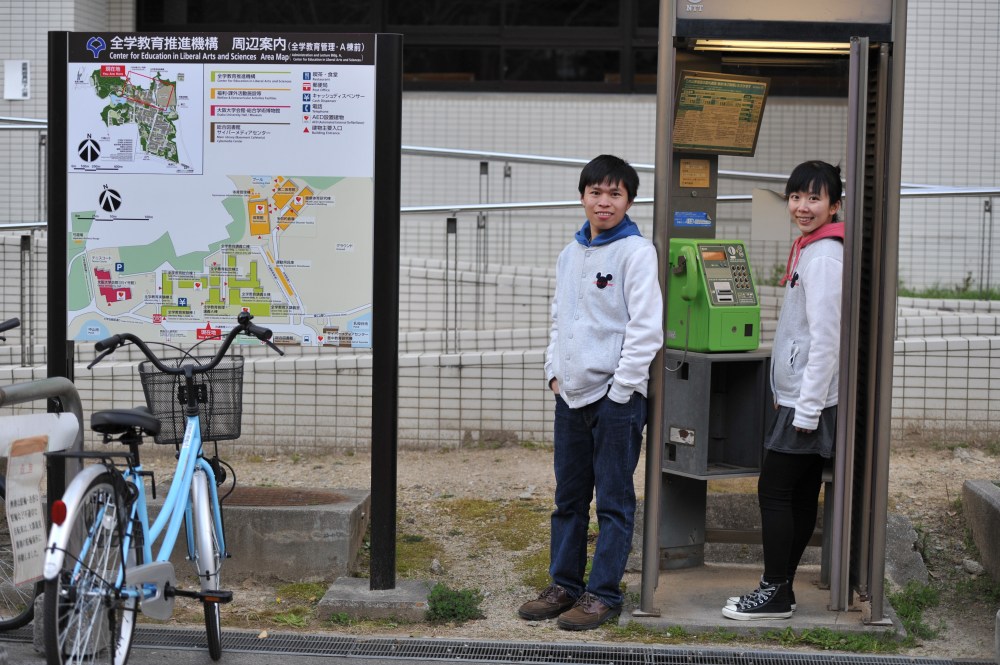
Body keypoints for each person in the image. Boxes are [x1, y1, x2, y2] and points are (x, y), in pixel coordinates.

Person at [517, 154, 663, 631]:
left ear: (629, 201)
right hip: (571, 395)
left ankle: (602, 594)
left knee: (615, 501)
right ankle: (565, 585)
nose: (604, 202)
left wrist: (621, 390)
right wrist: (553, 374)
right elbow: (561, 319)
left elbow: (646, 330)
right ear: (583, 196)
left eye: (614, 194)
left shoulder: (637, 252)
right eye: (596, 192)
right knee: (570, 497)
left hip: (616, 399)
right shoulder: (570, 253)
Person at [722, 160, 844, 620]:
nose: (802, 206)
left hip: (810, 402)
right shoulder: (810, 249)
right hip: (800, 396)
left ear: (834, 204)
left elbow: (826, 339)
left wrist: (807, 410)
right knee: (797, 493)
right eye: (795, 197)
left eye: (814, 198)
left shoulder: (826, 257)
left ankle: (775, 590)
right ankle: (781, 588)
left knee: (774, 491)